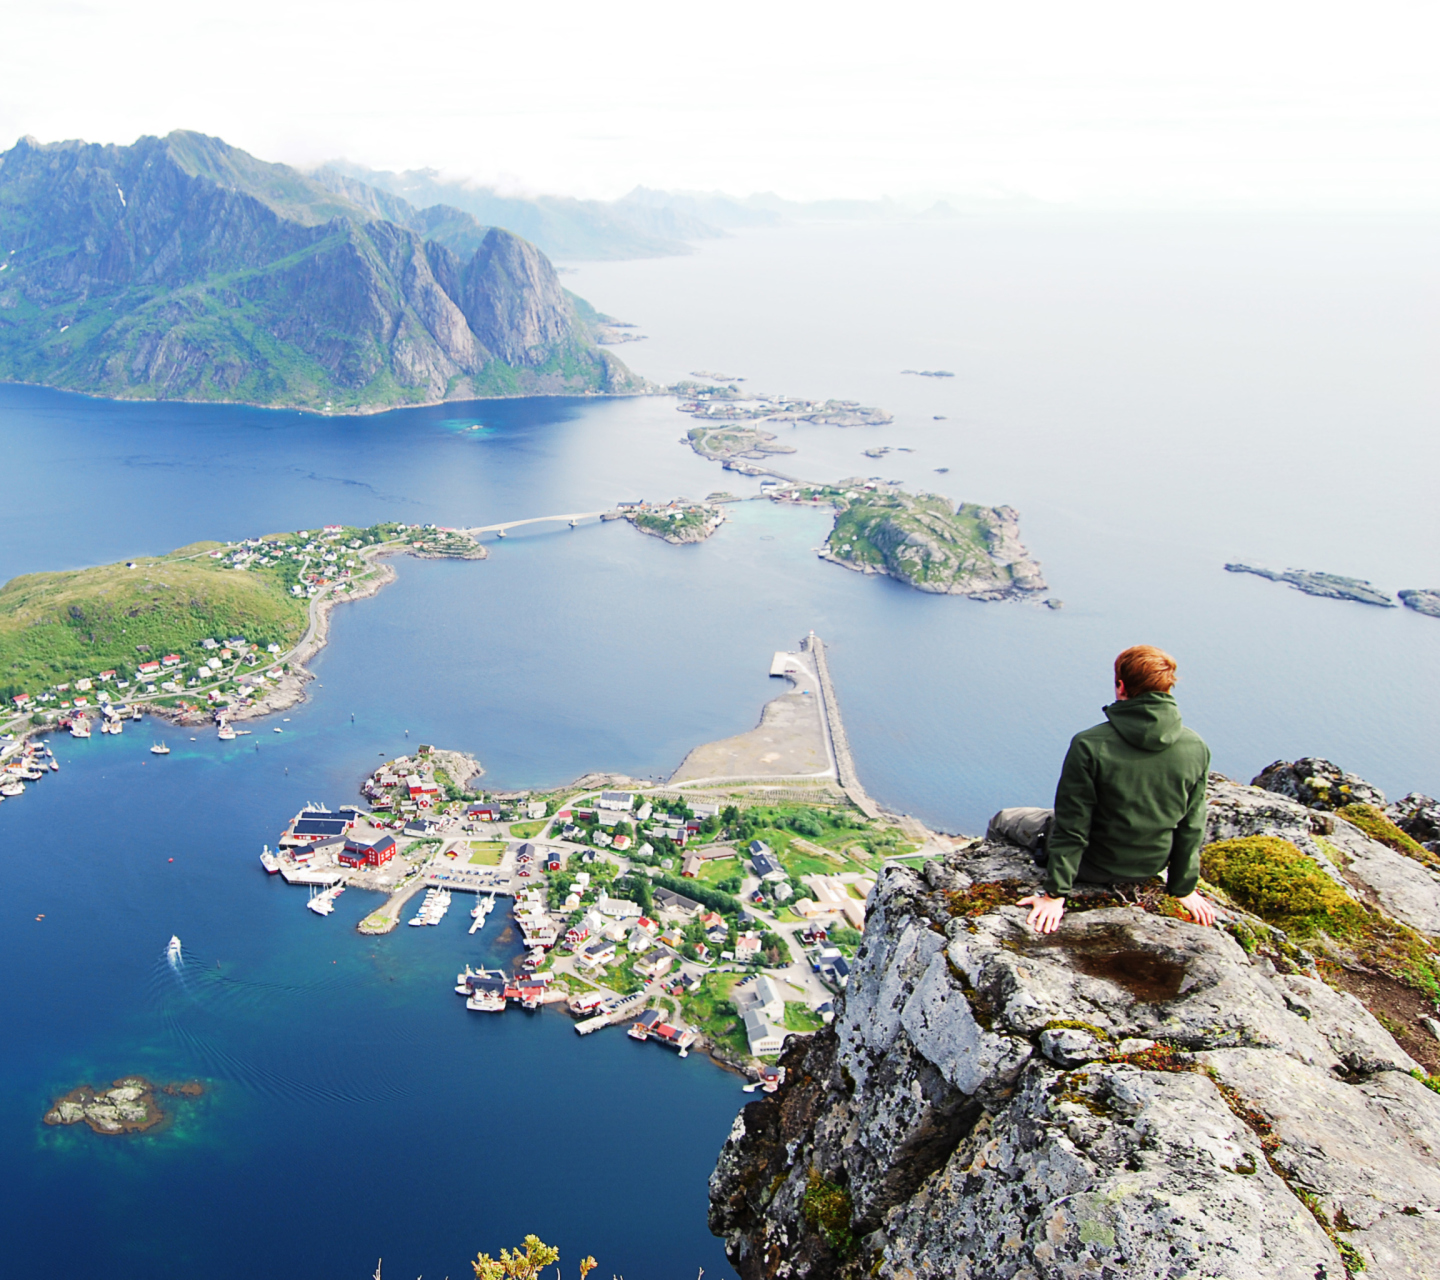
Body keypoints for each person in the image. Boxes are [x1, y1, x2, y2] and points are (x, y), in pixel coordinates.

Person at [1012, 645, 1216, 933]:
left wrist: (1055, 895)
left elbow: (1073, 825)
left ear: (1121, 686)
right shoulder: (1196, 746)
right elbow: (1192, 824)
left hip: (1092, 865)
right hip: (1149, 866)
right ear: (1167, 687)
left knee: (1005, 820)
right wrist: (1183, 888)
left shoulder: (1090, 744)